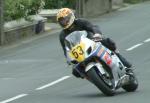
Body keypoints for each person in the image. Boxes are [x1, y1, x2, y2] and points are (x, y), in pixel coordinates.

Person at [57, 8, 132, 77]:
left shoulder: (80, 22)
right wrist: (69, 59)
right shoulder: (62, 35)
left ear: (70, 16)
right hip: (80, 52)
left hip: (92, 41)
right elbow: (66, 49)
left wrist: (97, 34)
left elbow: (93, 27)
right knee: (76, 71)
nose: (64, 22)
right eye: (61, 21)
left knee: (107, 42)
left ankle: (124, 63)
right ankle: (93, 77)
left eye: (65, 19)